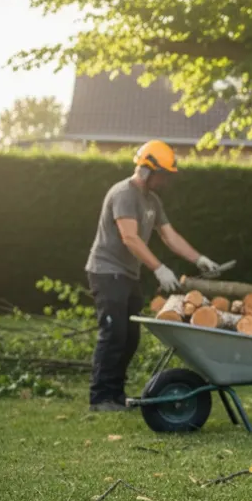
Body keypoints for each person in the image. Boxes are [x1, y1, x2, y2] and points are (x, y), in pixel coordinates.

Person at [84, 141, 221, 412]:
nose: (165, 180)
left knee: (130, 337)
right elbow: (130, 238)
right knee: (114, 334)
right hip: (106, 272)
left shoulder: (152, 200)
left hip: (127, 274)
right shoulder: (124, 193)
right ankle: (101, 397)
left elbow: (169, 236)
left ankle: (116, 395)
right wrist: (159, 268)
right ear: (147, 170)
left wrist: (199, 259)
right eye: (163, 174)